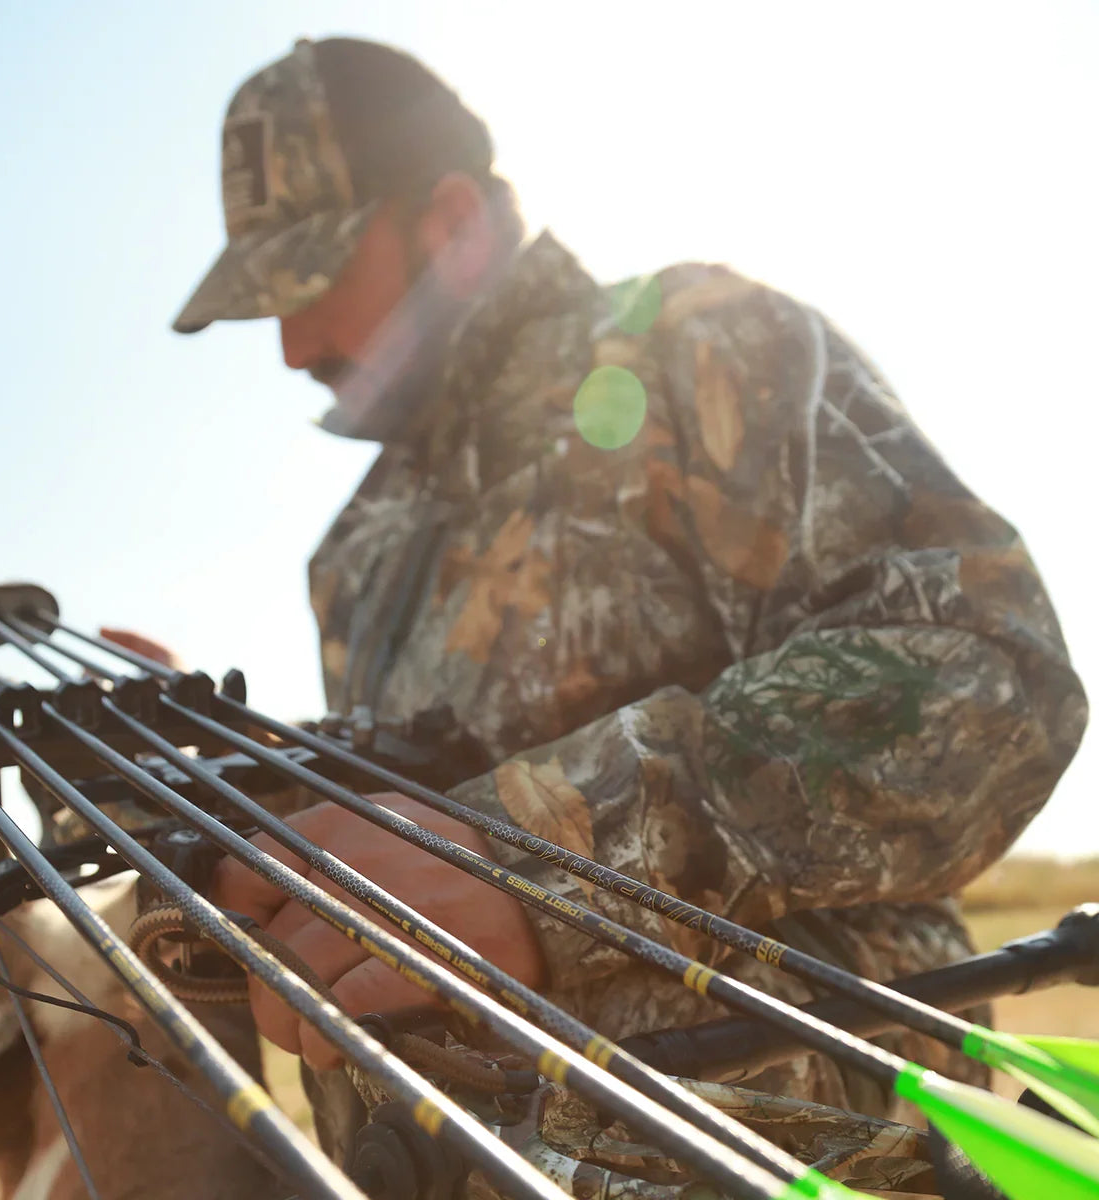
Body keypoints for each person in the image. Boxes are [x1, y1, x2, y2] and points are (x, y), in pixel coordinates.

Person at [132, 35, 1087, 1175]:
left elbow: (987, 670)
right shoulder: (357, 552)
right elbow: (417, 805)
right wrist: (223, 770)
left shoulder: (696, 338)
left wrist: (539, 861)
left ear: (453, 223)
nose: (293, 345)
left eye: (312, 280)